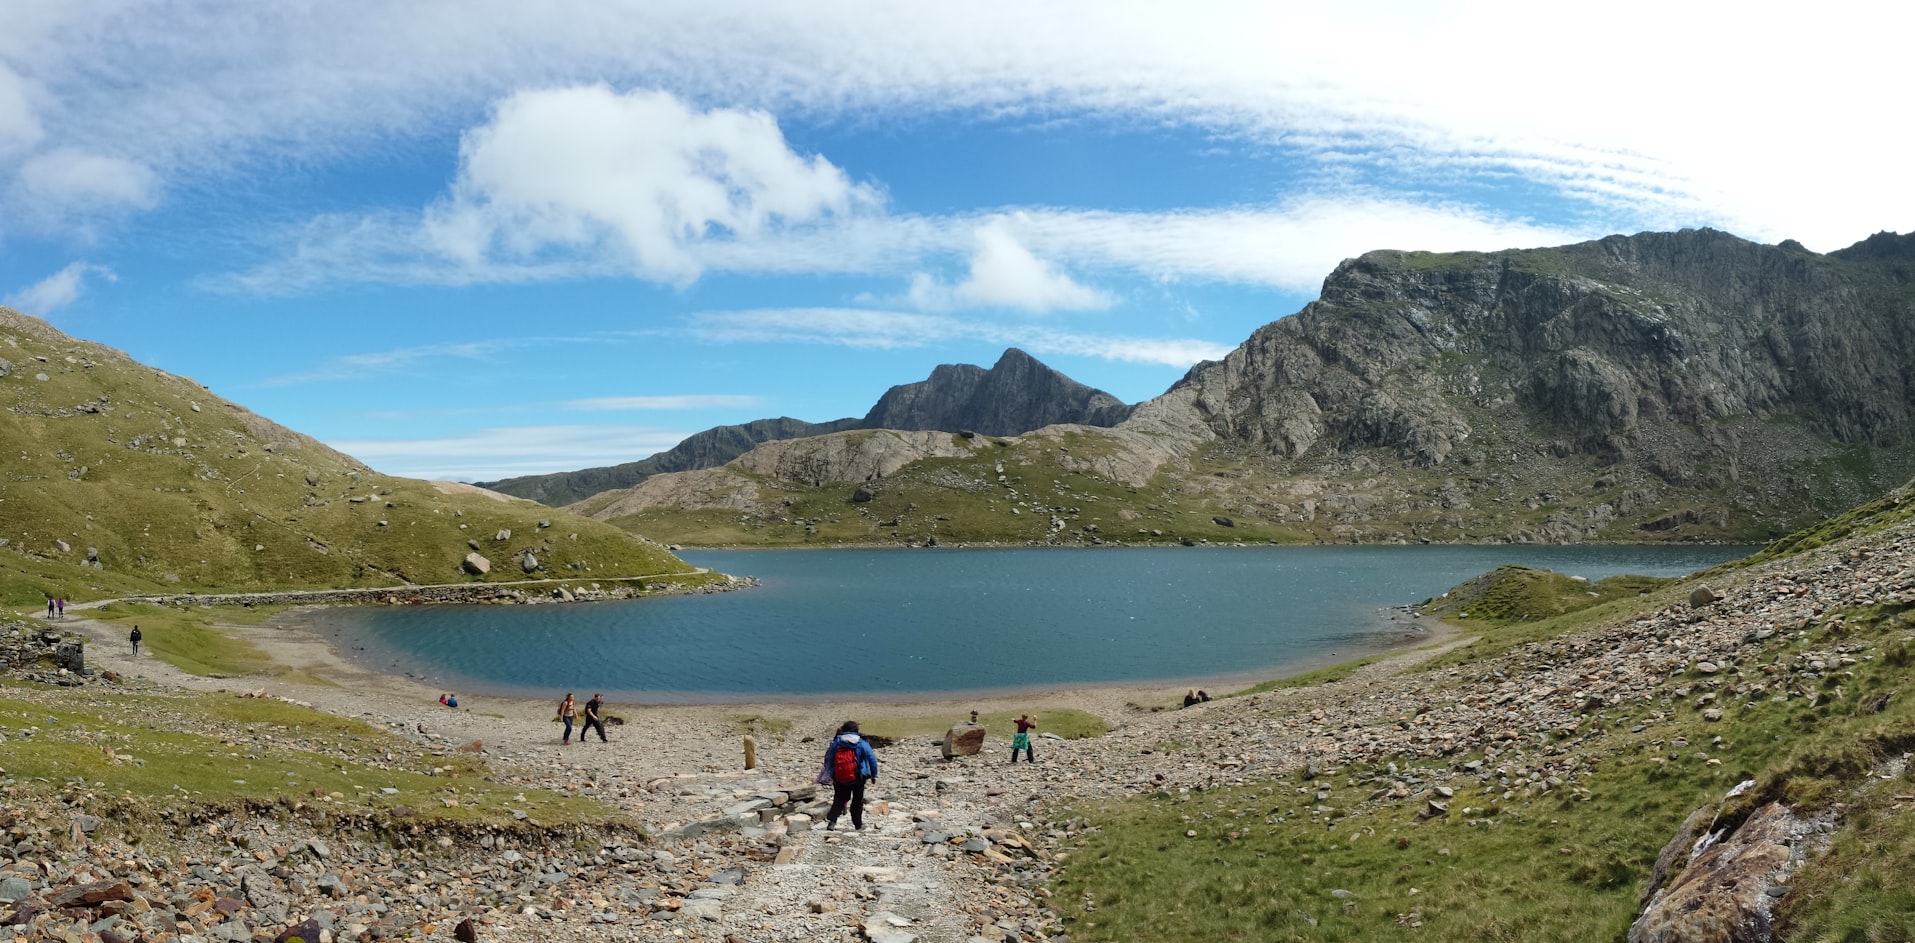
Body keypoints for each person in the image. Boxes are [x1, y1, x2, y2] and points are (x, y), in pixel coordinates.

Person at [824, 721, 879, 831]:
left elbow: (829, 758)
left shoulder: (837, 741)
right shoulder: (861, 742)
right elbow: (871, 758)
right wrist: (874, 775)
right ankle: (858, 825)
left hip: (839, 776)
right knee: (857, 801)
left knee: (839, 799)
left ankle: (832, 822)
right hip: (858, 777)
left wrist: (831, 773)